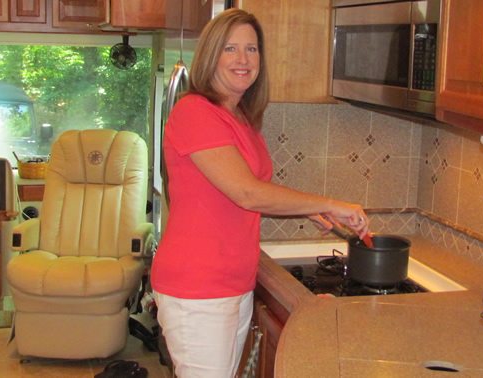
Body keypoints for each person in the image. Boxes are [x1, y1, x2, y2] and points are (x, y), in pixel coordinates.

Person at [150, 8, 372, 378]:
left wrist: (303, 210)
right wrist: (329, 203)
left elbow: (242, 193)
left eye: (251, 50)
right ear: (210, 56)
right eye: (230, 49)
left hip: (233, 280)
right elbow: (247, 194)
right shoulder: (195, 112)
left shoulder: (239, 117)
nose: (242, 60)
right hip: (198, 284)